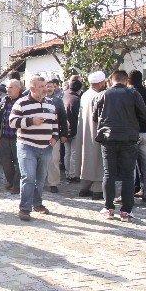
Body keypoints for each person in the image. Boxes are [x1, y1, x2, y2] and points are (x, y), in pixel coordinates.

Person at [94, 70, 146, 222]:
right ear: (126, 81)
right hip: (129, 138)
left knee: (108, 173)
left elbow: (94, 116)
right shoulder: (133, 94)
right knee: (127, 175)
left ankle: (108, 208)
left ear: (111, 81)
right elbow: (145, 115)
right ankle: (126, 211)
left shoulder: (103, 94)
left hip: (108, 137)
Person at [9, 75, 58, 221]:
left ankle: (37, 203)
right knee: (28, 176)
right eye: (41, 87)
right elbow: (12, 122)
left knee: (41, 178)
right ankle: (24, 208)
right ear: (32, 88)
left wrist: (55, 136)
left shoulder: (50, 103)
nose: (45, 89)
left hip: (46, 147)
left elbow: (55, 123)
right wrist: (31, 121)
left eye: (45, 86)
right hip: (27, 145)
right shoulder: (21, 103)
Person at [72, 71, 107, 200]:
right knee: (97, 160)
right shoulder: (98, 96)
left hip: (84, 132)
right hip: (95, 133)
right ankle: (97, 190)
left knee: (86, 158)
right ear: (101, 83)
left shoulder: (85, 95)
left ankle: (84, 188)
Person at [128, 70, 146, 204]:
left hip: (132, 132)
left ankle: (129, 194)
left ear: (129, 81)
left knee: (130, 165)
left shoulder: (128, 94)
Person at [0, 79, 22, 193]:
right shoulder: (4, 100)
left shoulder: (23, 101)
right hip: (5, 136)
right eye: (7, 87)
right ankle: (11, 181)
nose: (8, 89)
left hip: (18, 137)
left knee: (19, 162)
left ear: (18, 88)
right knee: (4, 160)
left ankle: (17, 185)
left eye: (10, 87)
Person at [45, 79, 68, 193]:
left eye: (51, 86)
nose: (49, 88)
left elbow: (63, 118)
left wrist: (64, 133)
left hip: (54, 134)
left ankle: (53, 183)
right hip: (40, 135)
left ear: (54, 88)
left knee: (54, 159)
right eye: (47, 86)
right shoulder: (38, 99)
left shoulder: (58, 101)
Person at [63, 77, 83, 184]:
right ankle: (73, 174)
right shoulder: (76, 99)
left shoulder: (65, 96)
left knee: (67, 153)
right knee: (74, 153)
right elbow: (78, 116)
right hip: (74, 129)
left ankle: (67, 173)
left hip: (65, 129)